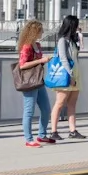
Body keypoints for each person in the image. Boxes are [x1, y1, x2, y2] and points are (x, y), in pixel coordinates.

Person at [16, 19, 54, 147]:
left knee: (46, 109)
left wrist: (43, 61)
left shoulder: (37, 45)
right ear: (34, 31)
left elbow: (37, 62)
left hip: (38, 80)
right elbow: (22, 65)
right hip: (29, 82)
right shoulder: (26, 46)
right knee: (29, 111)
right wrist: (40, 61)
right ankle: (29, 139)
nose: (42, 32)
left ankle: (42, 135)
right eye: (40, 30)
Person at [49, 14, 85, 139]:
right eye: (76, 25)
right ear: (71, 25)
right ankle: (53, 131)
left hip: (75, 74)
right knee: (59, 103)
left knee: (72, 104)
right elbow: (63, 59)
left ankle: (73, 130)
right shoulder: (62, 41)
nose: (77, 27)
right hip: (66, 75)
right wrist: (71, 75)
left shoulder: (72, 41)